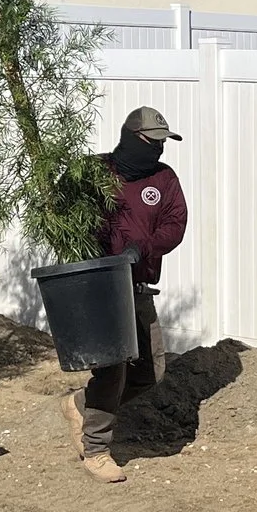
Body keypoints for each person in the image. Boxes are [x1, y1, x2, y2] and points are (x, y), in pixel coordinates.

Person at [66, 105, 187, 483]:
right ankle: (96, 449)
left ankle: (80, 405)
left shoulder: (164, 179)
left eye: (163, 144)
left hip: (137, 285)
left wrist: (143, 246)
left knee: (151, 371)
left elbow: (175, 224)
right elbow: (60, 211)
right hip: (98, 285)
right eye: (153, 143)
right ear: (132, 138)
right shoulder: (91, 172)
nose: (159, 151)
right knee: (113, 368)